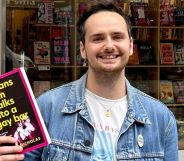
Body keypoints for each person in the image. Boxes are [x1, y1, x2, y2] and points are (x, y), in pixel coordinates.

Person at [0, 0, 179, 160]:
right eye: (98, 38)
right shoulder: (46, 108)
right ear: (83, 49)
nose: (109, 46)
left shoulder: (161, 119)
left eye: (117, 36)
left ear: (131, 45)